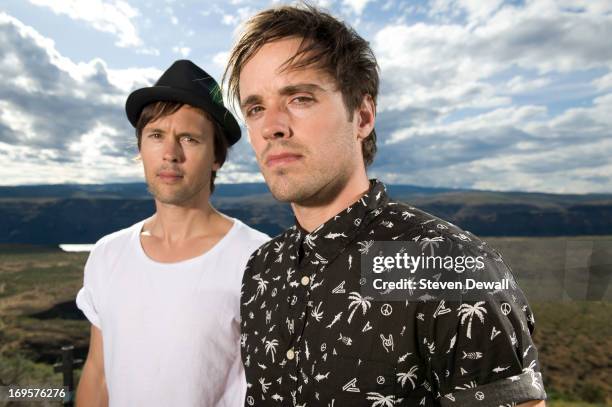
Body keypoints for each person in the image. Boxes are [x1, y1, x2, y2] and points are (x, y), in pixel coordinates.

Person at [224, 5, 547, 406]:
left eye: (300, 98)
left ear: (362, 115)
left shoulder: (445, 267)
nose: (272, 126)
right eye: (255, 108)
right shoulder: (262, 271)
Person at [75, 60, 269, 407]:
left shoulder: (258, 260)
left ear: (216, 158)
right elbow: (97, 374)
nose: (170, 154)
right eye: (156, 135)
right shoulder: (107, 254)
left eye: (189, 139)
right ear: (140, 149)